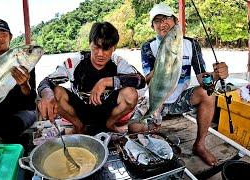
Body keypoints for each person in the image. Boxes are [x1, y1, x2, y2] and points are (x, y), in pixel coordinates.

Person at [129, 3, 229, 166]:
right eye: (157, 21)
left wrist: (216, 76)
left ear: (176, 21)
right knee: (134, 127)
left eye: (167, 18)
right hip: (156, 100)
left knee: (208, 94)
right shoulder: (148, 47)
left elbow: (203, 78)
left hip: (179, 100)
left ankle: (200, 145)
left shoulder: (191, 44)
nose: (163, 24)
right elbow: (147, 81)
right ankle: (151, 139)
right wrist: (162, 63)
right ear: (152, 26)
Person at [37, 21, 146, 135]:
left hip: (107, 112)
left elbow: (140, 80)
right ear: (90, 44)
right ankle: (79, 126)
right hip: (80, 112)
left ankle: (110, 124)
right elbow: (46, 82)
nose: (100, 54)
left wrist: (106, 81)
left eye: (106, 49)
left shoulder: (118, 62)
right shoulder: (75, 62)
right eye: (96, 47)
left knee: (131, 93)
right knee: (57, 91)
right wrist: (47, 95)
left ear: (113, 48)